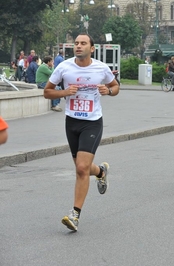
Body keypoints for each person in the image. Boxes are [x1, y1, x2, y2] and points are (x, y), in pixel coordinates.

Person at [43, 33, 120, 231]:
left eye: (83, 43)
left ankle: (74, 215)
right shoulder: (64, 67)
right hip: (72, 122)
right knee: (82, 167)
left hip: (92, 122)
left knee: (81, 168)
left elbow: (115, 86)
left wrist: (108, 91)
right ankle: (101, 172)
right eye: (76, 43)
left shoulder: (101, 68)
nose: (78, 46)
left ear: (91, 48)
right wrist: (64, 93)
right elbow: (47, 92)